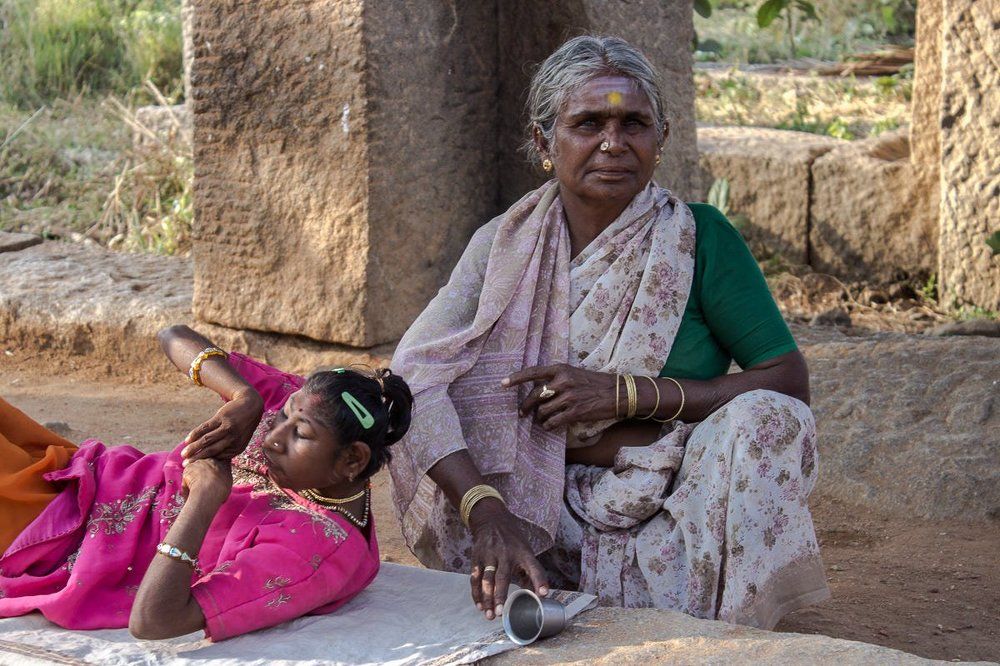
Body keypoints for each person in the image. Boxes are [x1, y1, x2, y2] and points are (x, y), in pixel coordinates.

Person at [389, 35, 829, 630]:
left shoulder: (698, 238)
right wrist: (484, 509)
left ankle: (727, 626)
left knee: (768, 421)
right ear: (545, 141)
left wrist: (625, 392)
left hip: (673, 500)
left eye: (634, 124)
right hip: (526, 506)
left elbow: (785, 379)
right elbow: (414, 378)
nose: (613, 144)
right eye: (589, 122)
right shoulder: (503, 245)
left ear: (662, 137)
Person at [0, 325, 412, 641]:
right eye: (283, 415)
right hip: (77, 473)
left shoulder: (311, 551)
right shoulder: (302, 409)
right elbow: (173, 336)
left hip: (49, 539)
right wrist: (242, 397)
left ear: (352, 459)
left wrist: (204, 498)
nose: (272, 436)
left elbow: (154, 620)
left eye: (299, 434)